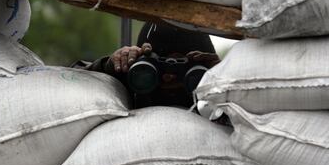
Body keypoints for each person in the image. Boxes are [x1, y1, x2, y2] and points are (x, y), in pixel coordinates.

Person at [72, 22, 220, 108]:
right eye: (154, 68)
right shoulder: (129, 83)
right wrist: (108, 68)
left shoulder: (217, 93)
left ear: (204, 70)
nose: (168, 76)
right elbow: (72, 78)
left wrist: (225, 78)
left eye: (183, 70)